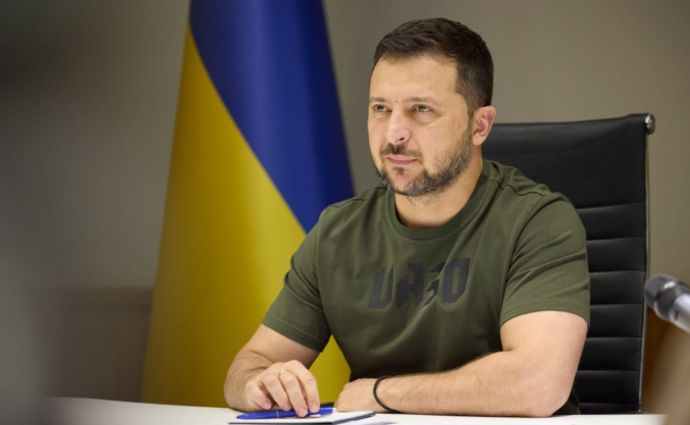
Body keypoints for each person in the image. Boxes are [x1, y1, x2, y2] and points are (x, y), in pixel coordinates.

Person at [224, 17, 589, 417]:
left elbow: (538, 384)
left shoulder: (537, 222)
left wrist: (380, 394)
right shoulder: (337, 232)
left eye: (421, 110)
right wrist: (259, 383)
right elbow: (249, 365)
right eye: (381, 109)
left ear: (480, 125)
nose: (394, 133)